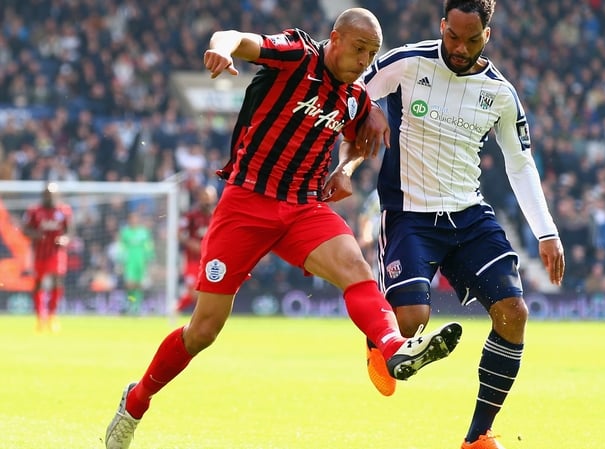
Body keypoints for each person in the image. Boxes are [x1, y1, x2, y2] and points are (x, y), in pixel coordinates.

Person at [104, 8, 462, 449]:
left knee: (356, 267)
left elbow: (356, 140)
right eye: (358, 49)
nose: (365, 61)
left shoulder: (354, 98)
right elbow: (234, 34)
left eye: (372, 53)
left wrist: (345, 167)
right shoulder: (296, 55)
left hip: (302, 208)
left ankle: (391, 347)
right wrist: (220, 48)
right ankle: (136, 401)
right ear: (334, 39)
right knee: (203, 331)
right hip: (247, 203)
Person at [350, 1, 566, 448]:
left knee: (514, 314)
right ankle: (382, 340)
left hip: (468, 216)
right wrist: (365, 110)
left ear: (488, 35)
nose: (459, 47)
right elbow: (349, 92)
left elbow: (520, 164)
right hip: (409, 215)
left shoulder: (501, 94)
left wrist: (547, 231)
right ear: (442, 25)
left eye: (471, 40)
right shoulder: (406, 63)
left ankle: (478, 437)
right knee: (410, 321)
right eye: (453, 36)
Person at [22, 183, 72, 333]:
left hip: (56, 253)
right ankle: (40, 317)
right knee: (38, 284)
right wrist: (34, 234)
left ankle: (52, 316)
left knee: (57, 280)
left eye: (52, 194)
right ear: (43, 195)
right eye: (47, 194)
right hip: (39, 254)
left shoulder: (64, 211)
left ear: (56, 195)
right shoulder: (34, 211)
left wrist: (65, 240)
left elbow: (69, 232)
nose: (49, 196)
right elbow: (25, 229)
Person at [174, 185, 218, 314]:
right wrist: (191, 243)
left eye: (209, 198)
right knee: (193, 292)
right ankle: (176, 308)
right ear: (199, 198)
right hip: (193, 259)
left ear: (214, 198)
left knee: (207, 292)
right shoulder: (191, 215)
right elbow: (179, 233)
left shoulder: (218, 216)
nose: (207, 200)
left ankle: (175, 308)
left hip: (211, 260)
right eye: (204, 197)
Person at [117, 211, 155, 315]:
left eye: (135, 218)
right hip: (129, 262)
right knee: (130, 285)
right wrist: (120, 260)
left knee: (139, 285)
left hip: (141, 262)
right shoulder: (125, 232)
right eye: (131, 218)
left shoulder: (144, 232)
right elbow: (121, 247)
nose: (134, 220)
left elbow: (148, 246)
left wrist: (150, 257)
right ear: (129, 220)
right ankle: (131, 303)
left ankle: (136, 307)